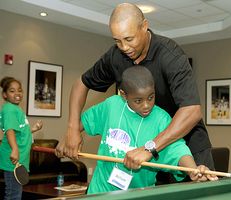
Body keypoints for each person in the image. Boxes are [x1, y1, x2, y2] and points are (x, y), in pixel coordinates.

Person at [56, 3, 215, 183]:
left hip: (185, 145)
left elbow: (191, 111)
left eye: (129, 39)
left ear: (144, 26)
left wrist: (149, 149)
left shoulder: (171, 56)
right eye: (117, 40)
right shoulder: (115, 56)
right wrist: (72, 130)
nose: (123, 47)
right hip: (141, 146)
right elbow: (81, 83)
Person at [80, 66, 217, 194]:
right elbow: (86, 121)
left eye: (151, 97)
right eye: (138, 101)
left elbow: (177, 149)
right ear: (124, 95)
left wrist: (193, 170)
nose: (147, 105)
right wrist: (71, 135)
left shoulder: (161, 119)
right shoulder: (112, 105)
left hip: (139, 194)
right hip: (99, 192)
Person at [0, 77, 43, 200]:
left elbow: (19, 131)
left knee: (14, 194)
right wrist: (14, 149)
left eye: (19, 90)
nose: (17, 93)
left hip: (20, 160)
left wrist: (33, 129)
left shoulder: (15, 108)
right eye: (12, 91)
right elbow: (9, 130)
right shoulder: (9, 109)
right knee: (13, 195)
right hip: (13, 161)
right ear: (5, 95)